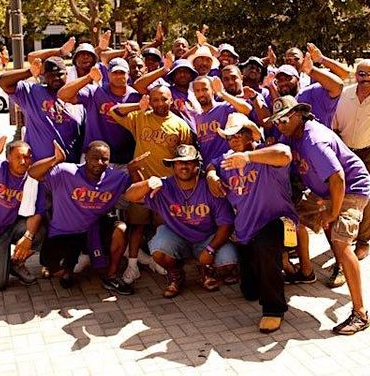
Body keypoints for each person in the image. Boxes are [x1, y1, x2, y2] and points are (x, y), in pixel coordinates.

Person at [267, 95, 370, 335]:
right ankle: (306, 271)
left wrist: (333, 212)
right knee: (290, 218)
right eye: (276, 122)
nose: (279, 126)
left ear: (296, 116)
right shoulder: (290, 135)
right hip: (323, 190)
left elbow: (338, 178)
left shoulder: (314, 140)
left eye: (282, 121)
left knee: (341, 243)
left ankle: (360, 313)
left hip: (350, 190)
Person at [206, 113, 297, 333]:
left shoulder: (265, 155)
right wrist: (211, 177)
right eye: (230, 136)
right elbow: (211, 164)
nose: (234, 139)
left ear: (250, 135)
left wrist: (248, 157)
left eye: (239, 134)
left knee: (267, 251)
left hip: (276, 221)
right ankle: (278, 263)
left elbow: (285, 154)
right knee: (249, 291)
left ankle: (274, 310)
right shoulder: (226, 159)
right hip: (246, 228)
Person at [124, 144, 238, 298]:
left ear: (197, 165)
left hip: (207, 238)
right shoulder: (164, 186)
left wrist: (210, 249)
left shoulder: (209, 187)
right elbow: (130, 196)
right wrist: (148, 183)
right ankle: (176, 273)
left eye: (189, 162)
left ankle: (205, 269)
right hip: (177, 236)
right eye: (178, 162)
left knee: (229, 262)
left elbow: (226, 224)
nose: (183, 166)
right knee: (159, 250)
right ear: (172, 166)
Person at [28, 140, 140, 293]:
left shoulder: (115, 177)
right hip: (64, 232)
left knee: (120, 228)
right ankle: (72, 266)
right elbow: (33, 173)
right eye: (95, 157)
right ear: (85, 157)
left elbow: (139, 195)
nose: (99, 162)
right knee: (60, 273)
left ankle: (111, 276)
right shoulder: (65, 172)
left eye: (104, 159)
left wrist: (133, 171)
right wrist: (55, 160)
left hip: (93, 228)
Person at [109, 86, 192, 283]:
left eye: (164, 99)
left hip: (166, 187)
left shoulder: (181, 126)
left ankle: (159, 261)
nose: (159, 104)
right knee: (136, 226)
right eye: (155, 100)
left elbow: (185, 157)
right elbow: (114, 111)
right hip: (141, 182)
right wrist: (138, 105)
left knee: (161, 226)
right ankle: (132, 265)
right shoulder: (140, 117)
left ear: (171, 100)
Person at [0, 137, 45, 290]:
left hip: (10, 227)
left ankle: (15, 263)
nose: (23, 161)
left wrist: (27, 237)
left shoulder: (32, 178)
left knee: (42, 230)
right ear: (8, 157)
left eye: (26, 157)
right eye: (18, 157)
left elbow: (38, 212)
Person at [0, 56, 85, 163]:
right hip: (39, 168)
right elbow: (3, 82)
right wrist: (29, 72)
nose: (56, 78)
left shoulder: (79, 96)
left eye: (59, 74)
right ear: (43, 76)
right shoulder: (32, 93)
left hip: (70, 169)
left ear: (67, 74)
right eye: (50, 75)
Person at [57, 58, 141, 165]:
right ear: (108, 74)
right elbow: (62, 95)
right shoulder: (95, 92)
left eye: (122, 72)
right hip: (93, 156)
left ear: (128, 74)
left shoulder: (135, 97)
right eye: (115, 73)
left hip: (123, 160)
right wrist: (88, 77)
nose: (119, 76)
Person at [332, 59, 370, 275]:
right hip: (345, 151)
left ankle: (363, 241)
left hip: (369, 150)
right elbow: (335, 125)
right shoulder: (344, 95)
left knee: (367, 199)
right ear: (355, 75)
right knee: (342, 195)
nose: (364, 79)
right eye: (361, 74)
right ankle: (342, 240)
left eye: (369, 75)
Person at [192, 76, 251, 165]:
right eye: (197, 91)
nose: (201, 94)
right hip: (208, 167)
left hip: (227, 163)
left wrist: (222, 93)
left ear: (212, 90)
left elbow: (247, 109)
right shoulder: (196, 117)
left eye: (205, 89)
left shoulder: (224, 108)